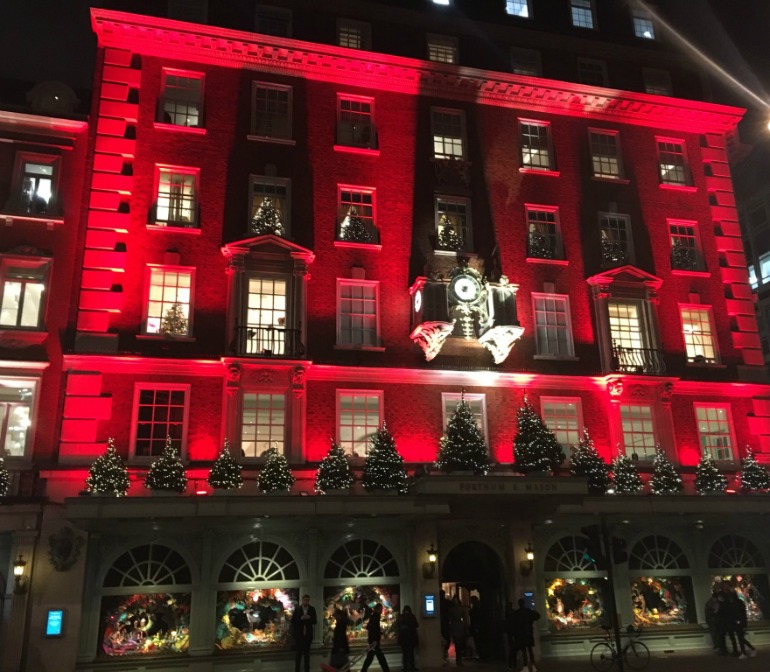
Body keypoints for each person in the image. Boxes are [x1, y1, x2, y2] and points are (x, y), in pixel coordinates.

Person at [509, 598, 540, 672]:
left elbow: (513, 624)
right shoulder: (529, 611)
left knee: (524, 650)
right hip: (529, 632)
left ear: (519, 604)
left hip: (521, 634)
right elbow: (537, 615)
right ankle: (533, 665)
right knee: (530, 650)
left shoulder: (517, 613)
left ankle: (525, 666)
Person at [291, 594, 317, 672]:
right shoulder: (297, 609)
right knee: (298, 654)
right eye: (304, 600)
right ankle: (297, 670)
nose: (306, 601)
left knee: (307, 654)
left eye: (307, 600)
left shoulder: (312, 609)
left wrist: (309, 618)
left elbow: (315, 621)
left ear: (309, 601)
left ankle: (307, 670)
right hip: (299, 635)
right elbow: (293, 621)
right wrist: (301, 618)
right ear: (302, 600)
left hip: (308, 635)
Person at [361, 603, 391, 672]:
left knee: (370, 657)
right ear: (379, 609)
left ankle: (364, 670)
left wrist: (379, 633)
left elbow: (369, 627)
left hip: (372, 640)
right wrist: (376, 637)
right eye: (381, 609)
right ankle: (386, 670)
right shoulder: (376, 616)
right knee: (380, 657)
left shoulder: (373, 616)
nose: (382, 610)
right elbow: (374, 628)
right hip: (375, 641)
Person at [732, 592, 756, 658]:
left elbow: (740, 614)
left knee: (741, 638)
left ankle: (747, 651)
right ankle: (747, 651)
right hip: (740, 623)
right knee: (741, 638)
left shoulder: (736, 604)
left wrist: (739, 621)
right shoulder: (739, 603)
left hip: (739, 623)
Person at [397, 605, 419, 672]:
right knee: (411, 653)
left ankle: (405, 667)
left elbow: (398, 626)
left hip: (403, 638)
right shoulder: (412, 616)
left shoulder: (401, 617)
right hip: (411, 638)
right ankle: (412, 667)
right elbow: (417, 625)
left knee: (405, 653)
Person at [448, 595, 468, 666]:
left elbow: (465, 618)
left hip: (459, 626)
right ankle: (458, 659)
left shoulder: (460, 608)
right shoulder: (453, 609)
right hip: (455, 626)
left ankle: (459, 658)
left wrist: (466, 626)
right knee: (457, 643)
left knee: (459, 643)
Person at [330, 604, 350, 670]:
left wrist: (341, 647)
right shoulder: (342, 623)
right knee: (344, 665)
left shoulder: (340, 624)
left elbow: (340, 636)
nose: (335, 617)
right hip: (341, 647)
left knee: (339, 665)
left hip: (339, 648)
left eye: (336, 615)